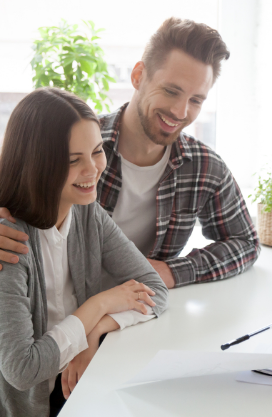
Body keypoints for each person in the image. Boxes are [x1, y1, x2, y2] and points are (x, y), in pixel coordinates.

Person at [0, 17, 260, 289]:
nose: (181, 112)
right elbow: (12, 182)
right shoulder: (79, 142)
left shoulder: (204, 168)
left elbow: (246, 243)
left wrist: (172, 271)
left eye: (196, 100)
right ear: (138, 76)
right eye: (171, 91)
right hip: (62, 313)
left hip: (137, 312)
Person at [0, 88, 168, 417]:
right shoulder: (10, 239)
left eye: (96, 151)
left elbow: (154, 289)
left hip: (76, 391)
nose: (92, 169)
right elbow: (22, 370)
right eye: (73, 160)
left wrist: (95, 330)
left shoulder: (87, 214)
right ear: (37, 165)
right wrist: (98, 304)